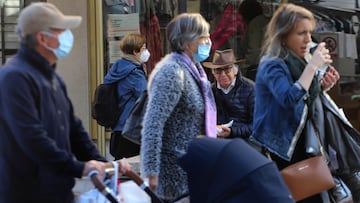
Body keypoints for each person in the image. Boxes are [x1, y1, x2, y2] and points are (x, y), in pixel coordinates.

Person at [0, 3, 131, 202]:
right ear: (42, 38)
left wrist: (101, 163)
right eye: (60, 31)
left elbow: (73, 128)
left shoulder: (51, 77)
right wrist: (79, 167)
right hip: (27, 192)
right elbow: (31, 137)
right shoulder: (15, 77)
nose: (67, 36)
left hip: (58, 189)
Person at [249, 3, 360, 203]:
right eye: (301, 33)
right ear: (284, 35)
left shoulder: (297, 60)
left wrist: (323, 83)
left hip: (304, 143)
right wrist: (312, 68)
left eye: (309, 32)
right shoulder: (271, 63)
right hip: (281, 148)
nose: (308, 39)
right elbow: (289, 99)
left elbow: (306, 96)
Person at [140, 13, 217, 202]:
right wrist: (151, 172)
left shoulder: (195, 71)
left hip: (193, 172)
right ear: (186, 42)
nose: (209, 42)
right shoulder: (172, 72)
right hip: (174, 181)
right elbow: (153, 124)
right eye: (203, 37)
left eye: (208, 35)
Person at [104, 33, 149, 160]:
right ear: (136, 51)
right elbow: (145, 97)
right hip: (130, 129)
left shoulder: (118, 67)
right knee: (132, 171)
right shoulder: (134, 73)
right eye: (143, 48)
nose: (146, 52)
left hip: (118, 127)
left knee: (121, 169)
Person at [203, 49, 255, 140]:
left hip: (245, 141)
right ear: (213, 73)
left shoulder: (251, 89)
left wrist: (232, 131)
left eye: (227, 69)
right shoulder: (209, 92)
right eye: (218, 70)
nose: (223, 74)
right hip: (216, 140)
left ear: (235, 71)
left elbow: (257, 125)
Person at [239, 0, 270, 81]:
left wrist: (245, 67)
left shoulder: (255, 24)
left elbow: (254, 51)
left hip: (257, 68)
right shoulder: (264, 21)